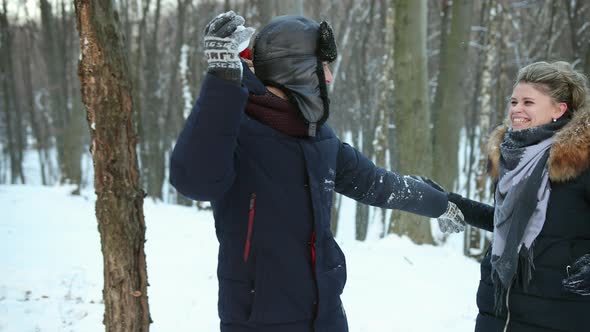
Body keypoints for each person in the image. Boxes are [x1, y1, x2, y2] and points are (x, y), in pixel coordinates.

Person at [169, 11, 465, 332]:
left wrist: (440, 204)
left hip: (327, 317)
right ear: (295, 69)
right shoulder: (235, 127)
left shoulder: (320, 138)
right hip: (257, 321)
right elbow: (194, 181)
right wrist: (221, 81)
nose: (329, 77)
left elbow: (378, 184)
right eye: (321, 66)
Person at [419, 61, 590, 331]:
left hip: (557, 313)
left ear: (559, 109)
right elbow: (506, 221)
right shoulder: (511, 161)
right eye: (514, 101)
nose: (516, 109)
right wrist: (447, 201)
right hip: (498, 313)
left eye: (528, 102)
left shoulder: (580, 162)